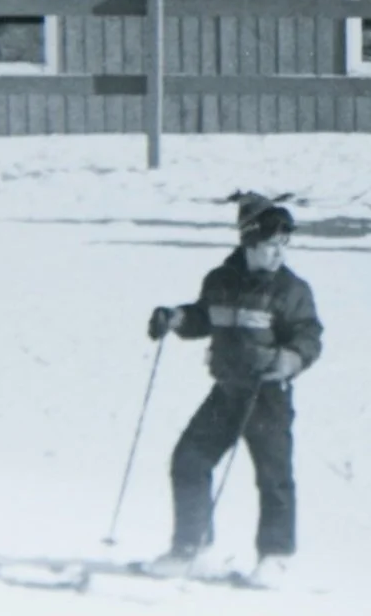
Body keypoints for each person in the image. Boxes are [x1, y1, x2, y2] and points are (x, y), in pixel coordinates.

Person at [145, 195, 323, 586]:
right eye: (269, 246)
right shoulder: (220, 280)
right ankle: (192, 548)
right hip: (228, 391)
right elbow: (204, 318)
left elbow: (310, 336)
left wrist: (290, 358)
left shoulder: (291, 290)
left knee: (273, 475)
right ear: (248, 243)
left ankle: (275, 556)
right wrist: (175, 319)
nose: (278, 254)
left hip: (268, 395)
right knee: (189, 460)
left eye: (283, 246)